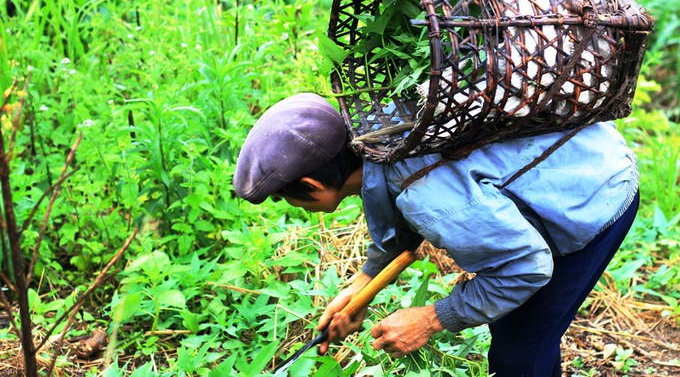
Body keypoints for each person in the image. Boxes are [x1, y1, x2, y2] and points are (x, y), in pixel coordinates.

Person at [233, 92, 639, 376]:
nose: (294, 208)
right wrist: (362, 285)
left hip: (591, 188)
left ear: (311, 183)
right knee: (520, 336)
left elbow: (525, 268)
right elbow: (390, 196)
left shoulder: (426, 195)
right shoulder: (379, 133)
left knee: (518, 352)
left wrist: (430, 319)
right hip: (565, 160)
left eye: (289, 199)